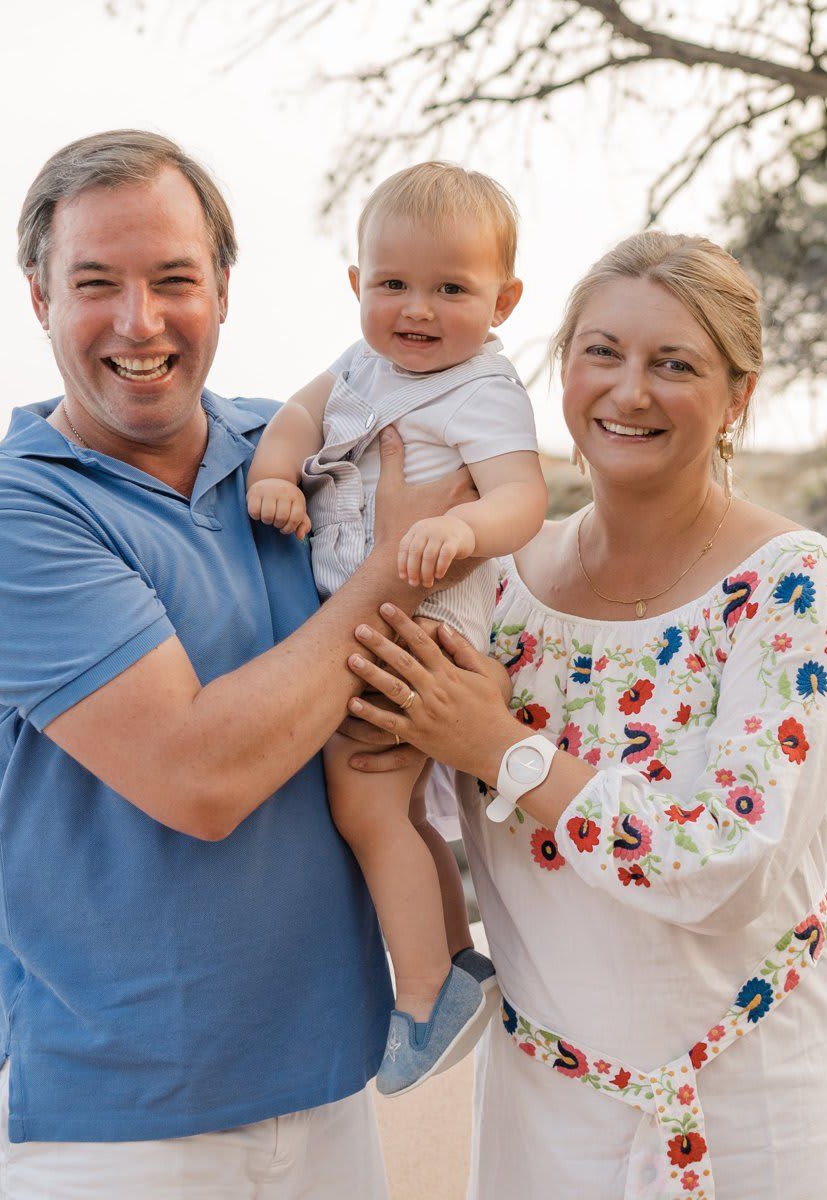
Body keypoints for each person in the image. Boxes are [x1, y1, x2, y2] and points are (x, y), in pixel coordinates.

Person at [0, 129, 479, 1199]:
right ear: (38, 296)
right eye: (96, 283)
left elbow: (475, 561)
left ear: (223, 288)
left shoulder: (305, 460)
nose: (139, 322)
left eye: (174, 279)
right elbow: (200, 778)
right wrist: (398, 570)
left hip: (328, 1088)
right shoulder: (8, 513)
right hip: (113, 1129)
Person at [340, 232, 827, 1198]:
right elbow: (376, 753)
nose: (629, 392)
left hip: (755, 1111)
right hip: (545, 1119)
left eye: (674, 364)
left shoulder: (792, 589)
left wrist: (499, 748)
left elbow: (729, 858)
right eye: (602, 353)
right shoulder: (492, 583)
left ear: (736, 398)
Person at [245, 162, 547, 1096]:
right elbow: (298, 417)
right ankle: (453, 959)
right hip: (367, 618)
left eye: (451, 289)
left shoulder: (483, 391)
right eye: (393, 285)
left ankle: (422, 991)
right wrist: (274, 471)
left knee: (365, 802)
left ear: (504, 299)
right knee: (395, 805)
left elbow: (523, 498)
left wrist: (461, 526)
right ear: (357, 286)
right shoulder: (356, 369)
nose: (417, 309)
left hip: (420, 625)